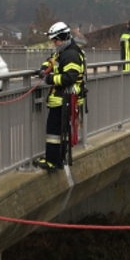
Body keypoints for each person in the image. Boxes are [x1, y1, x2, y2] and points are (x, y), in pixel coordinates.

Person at [34, 22, 85, 171]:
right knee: (61, 132)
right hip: (63, 99)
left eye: (55, 40)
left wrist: (49, 78)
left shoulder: (71, 55)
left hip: (64, 99)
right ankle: (59, 159)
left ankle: (52, 161)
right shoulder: (63, 51)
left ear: (63, 38)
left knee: (54, 132)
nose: (54, 43)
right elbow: (50, 62)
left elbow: (69, 77)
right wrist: (43, 70)